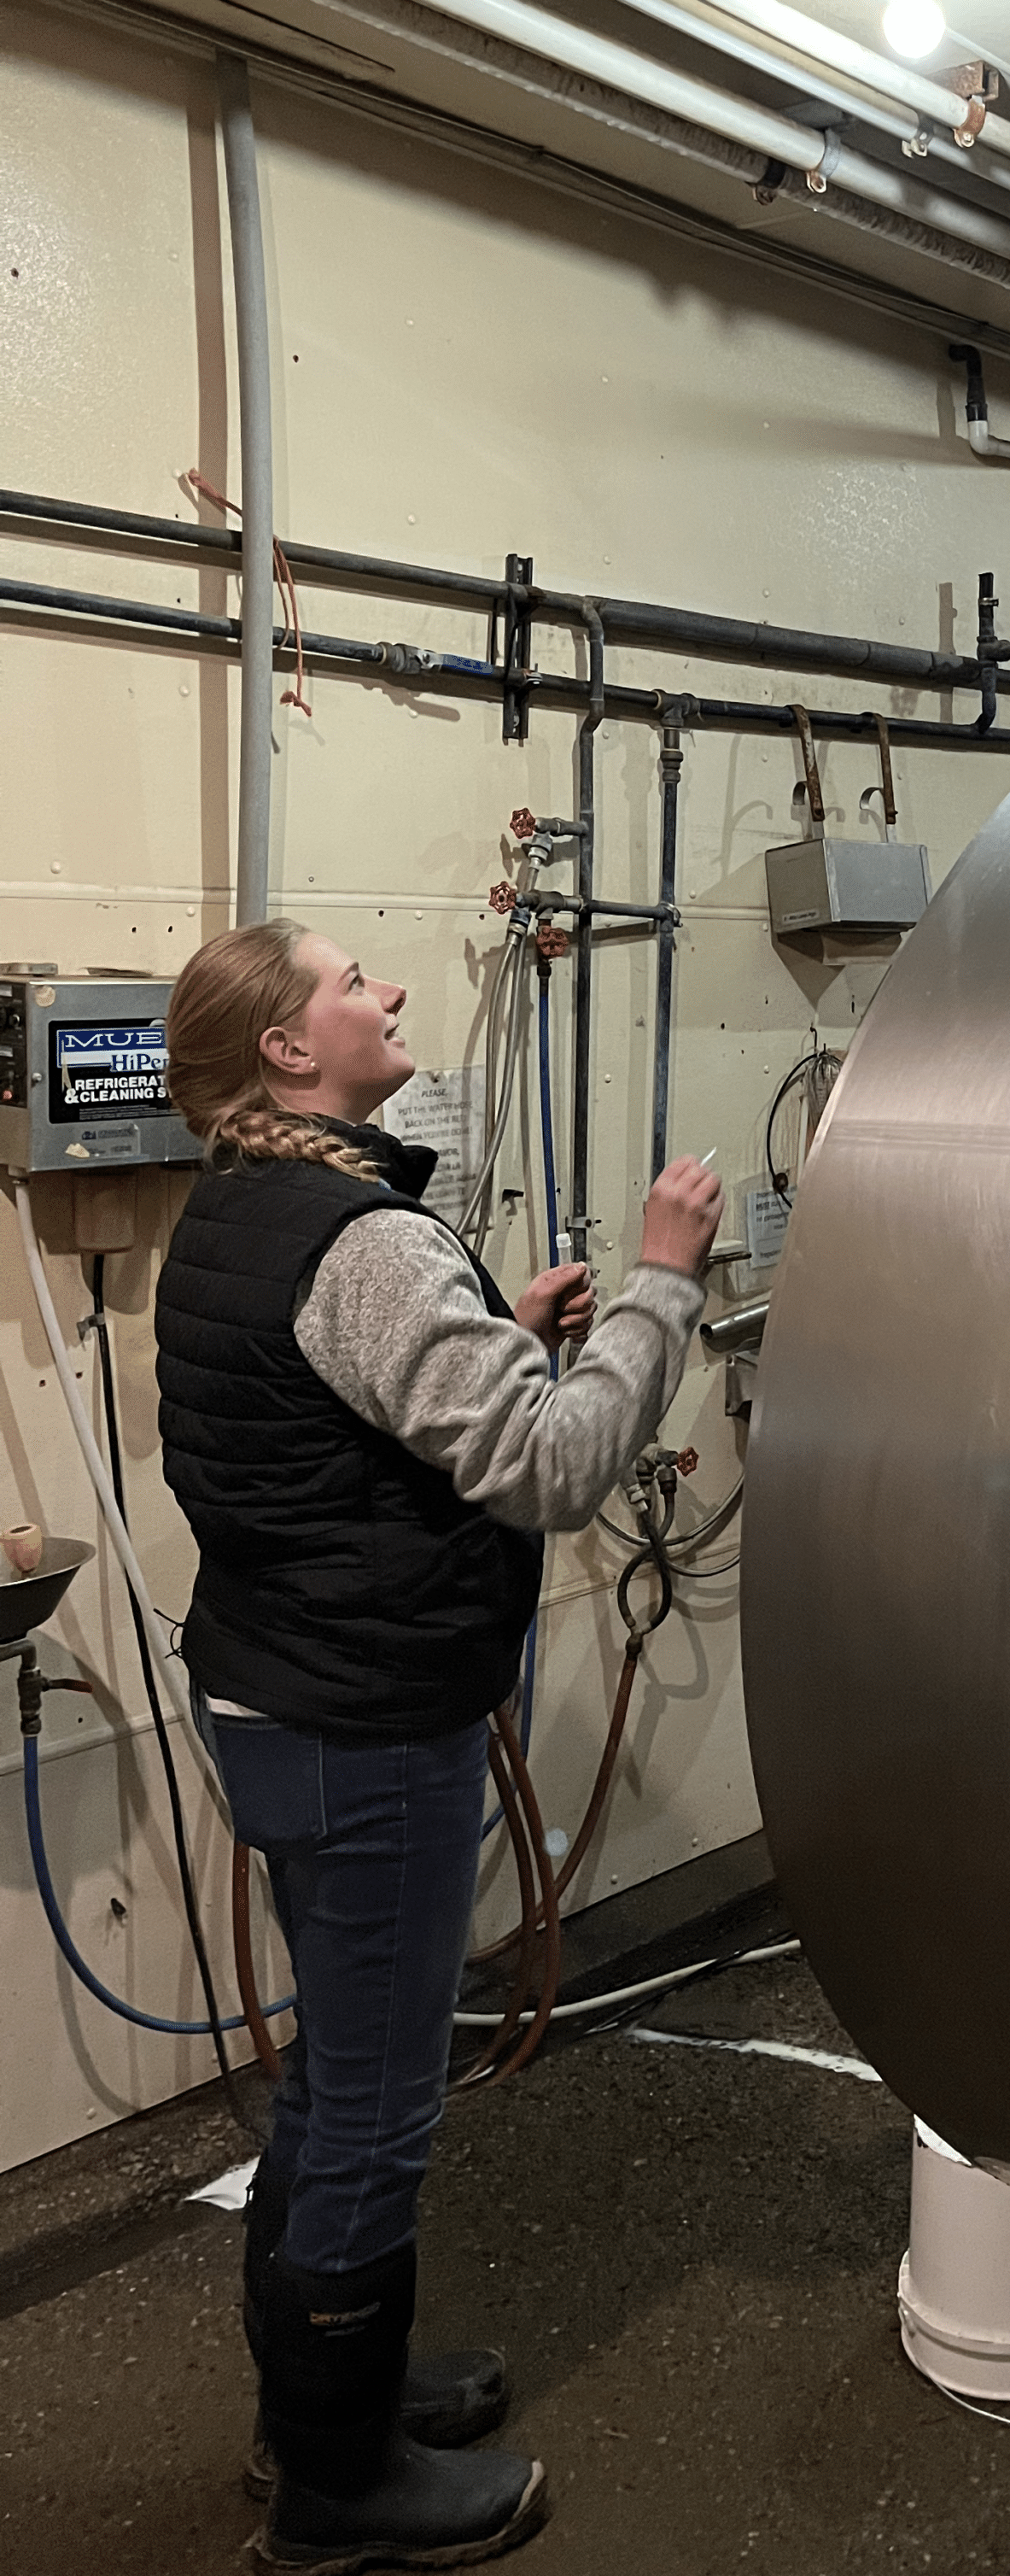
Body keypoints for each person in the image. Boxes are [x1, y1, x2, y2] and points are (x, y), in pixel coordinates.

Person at [154, 921, 723, 2570]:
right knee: (377, 2109)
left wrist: (504, 1329)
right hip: (363, 1726)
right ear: (284, 1049)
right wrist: (664, 1278)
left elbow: (344, 1414)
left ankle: (324, 2403)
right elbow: (550, 1468)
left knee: (334, 2077)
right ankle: (341, 2490)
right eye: (350, 983)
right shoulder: (364, 1240)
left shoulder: (249, 1208)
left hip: (278, 1692)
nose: (386, 991)